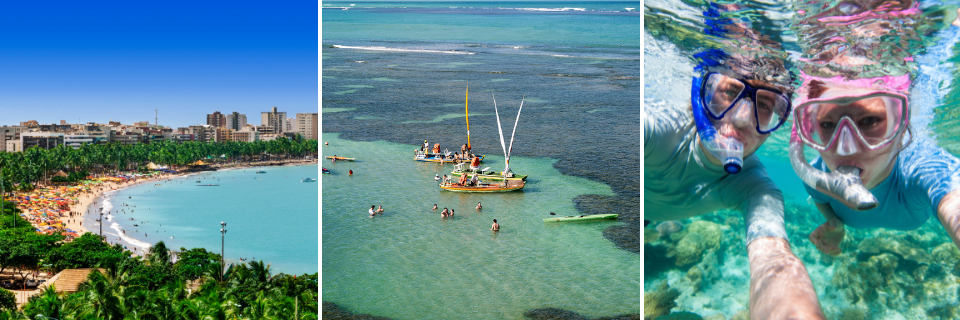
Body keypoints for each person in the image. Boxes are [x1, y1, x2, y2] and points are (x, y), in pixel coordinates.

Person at [645, 25, 824, 318]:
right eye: (729, 91)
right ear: (701, 92)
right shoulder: (659, 130)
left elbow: (773, 260)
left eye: (765, 105)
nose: (742, 120)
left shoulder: (755, 187)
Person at [788, 1, 960, 257]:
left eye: (868, 121)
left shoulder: (921, 168)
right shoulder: (817, 176)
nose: (845, 147)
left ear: (902, 126)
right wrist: (835, 224)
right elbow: (820, 196)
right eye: (827, 125)